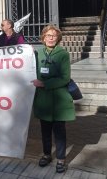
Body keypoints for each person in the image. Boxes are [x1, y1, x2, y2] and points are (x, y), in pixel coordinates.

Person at [32, 25, 75, 174]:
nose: (50, 38)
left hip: (59, 99)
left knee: (59, 132)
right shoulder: (37, 53)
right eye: (48, 35)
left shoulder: (63, 54)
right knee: (44, 130)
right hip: (43, 99)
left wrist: (44, 83)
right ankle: (46, 154)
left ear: (58, 38)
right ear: (43, 38)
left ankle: (61, 159)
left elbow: (65, 78)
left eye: (53, 36)